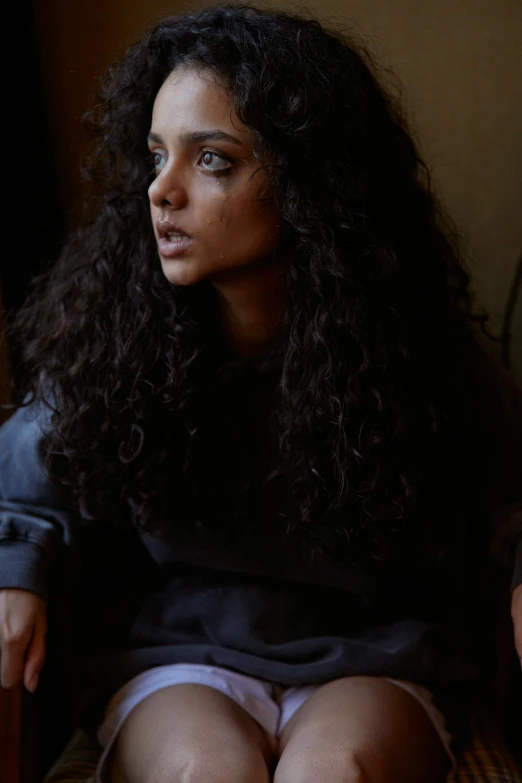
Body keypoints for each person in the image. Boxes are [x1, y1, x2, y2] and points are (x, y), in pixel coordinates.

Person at [1, 4, 522, 782]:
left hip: (370, 658)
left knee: (328, 774)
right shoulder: (114, 346)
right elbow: (26, 474)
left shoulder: (412, 355)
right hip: (178, 658)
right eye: (155, 156)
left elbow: (507, 485)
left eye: (211, 160)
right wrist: (16, 564)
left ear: (308, 184)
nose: (161, 191)